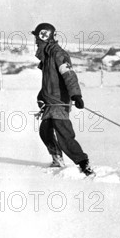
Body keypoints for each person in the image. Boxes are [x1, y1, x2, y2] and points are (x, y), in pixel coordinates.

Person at [31, 23, 94, 177]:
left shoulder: (58, 54)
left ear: (44, 36)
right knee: (45, 132)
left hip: (59, 104)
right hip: (50, 103)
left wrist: (76, 95)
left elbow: (69, 75)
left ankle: (84, 164)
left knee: (64, 136)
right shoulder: (46, 56)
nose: (35, 41)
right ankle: (57, 158)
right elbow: (48, 82)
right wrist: (41, 97)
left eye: (36, 37)